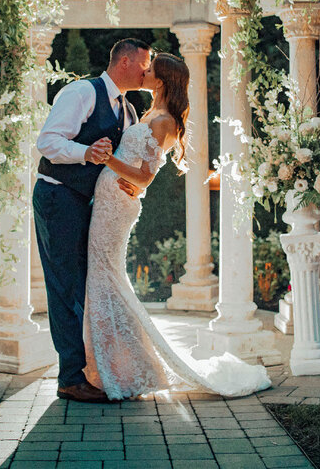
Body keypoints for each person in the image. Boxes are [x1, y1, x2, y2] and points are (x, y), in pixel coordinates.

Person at [83, 52, 272, 400]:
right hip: (110, 198)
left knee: (105, 276)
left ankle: (121, 368)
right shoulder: (149, 112)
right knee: (103, 276)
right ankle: (116, 363)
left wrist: (107, 160)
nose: (144, 71)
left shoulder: (164, 121)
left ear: (163, 79)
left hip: (117, 205)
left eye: (150, 70)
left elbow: (146, 176)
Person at [33, 37, 151, 403]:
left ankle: (91, 369)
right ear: (127, 61)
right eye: (145, 64)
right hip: (58, 196)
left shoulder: (129, 112)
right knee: (65, 287)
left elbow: (122, 165)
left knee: (88, 287)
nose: (148, 72)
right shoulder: (82, 92)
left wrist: (132, 188)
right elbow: (48, 141)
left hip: (91, 206)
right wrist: (86, 152)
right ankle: (69, 378)